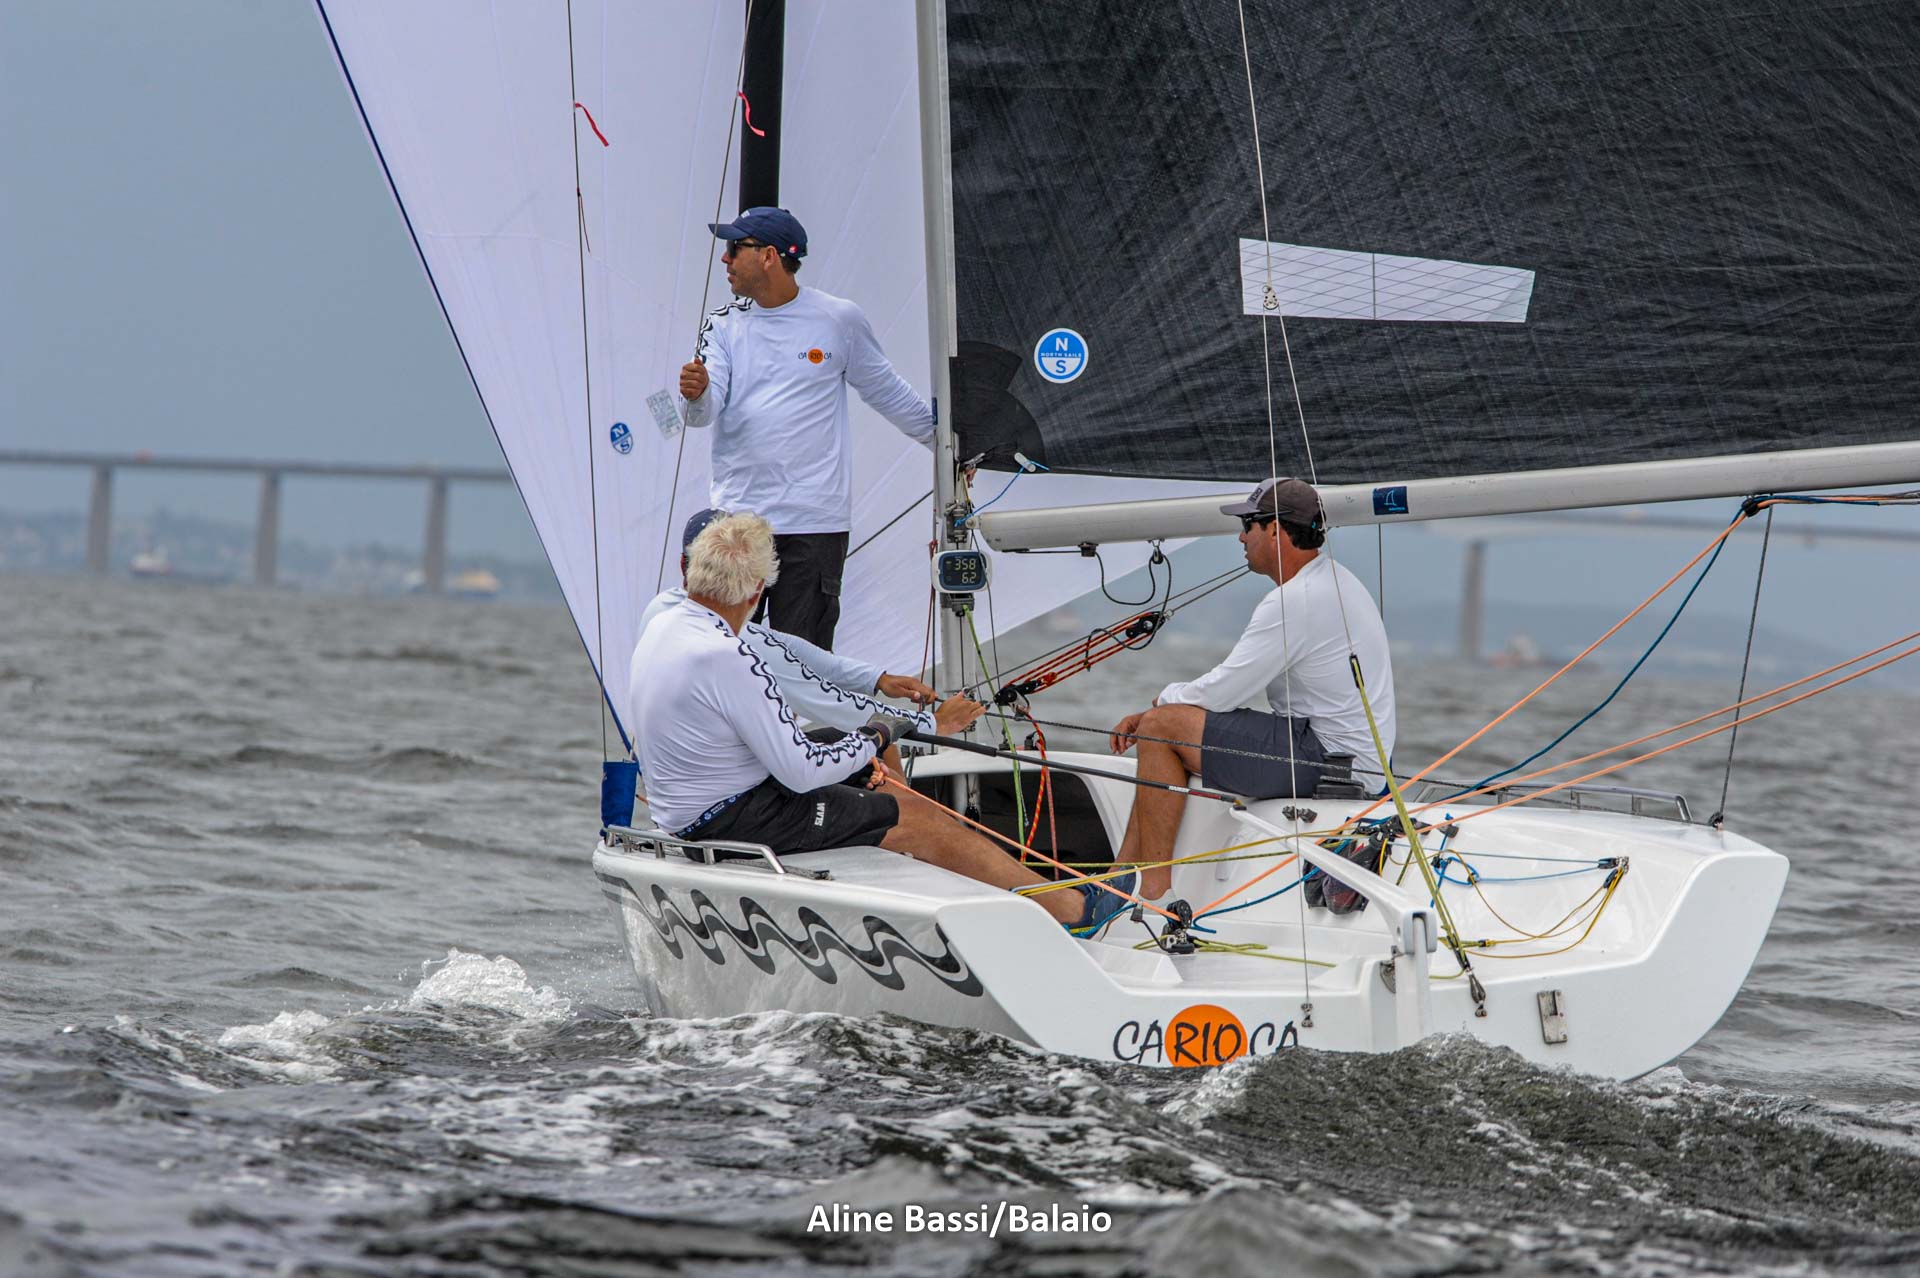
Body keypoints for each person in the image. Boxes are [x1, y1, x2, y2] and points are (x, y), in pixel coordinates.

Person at [627, 512, 1132, 931]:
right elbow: (800, 771)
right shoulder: (729, 657)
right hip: (731, 816)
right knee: (918, 818)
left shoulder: (666, 620)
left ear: (692, 573)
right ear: (758, 590)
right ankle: (1074, 910)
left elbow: (786, 654)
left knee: (857, 756)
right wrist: (877, 733)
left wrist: (873, 706)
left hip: (690, 808)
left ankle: (908, 846)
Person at [1107, 478, 1396, 899]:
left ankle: (1150, 892)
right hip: (1354, 760)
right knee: (1162, 722)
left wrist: (1160, 703)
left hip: (1331, 761)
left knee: (1160, 728)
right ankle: (1117, 879)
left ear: (1275, 530)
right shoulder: (1337, 579)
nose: (1241, 537)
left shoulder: (1297, 599)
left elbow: (1224, 692)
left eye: (1248, 525)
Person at [678, 206, 933, 651]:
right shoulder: (722, 324)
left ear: (768, 256)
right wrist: (696, 395)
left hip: (814, 523)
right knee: (722, 653)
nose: (725, 258)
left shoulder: (839, 320)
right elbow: (701, 415)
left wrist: (948, 444)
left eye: (735, 247)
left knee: (805, 661)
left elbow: (887, 392)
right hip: (738, 522)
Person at [635, 508, 939, 776]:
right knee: (880, 747)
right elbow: (819, 705)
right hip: (730, 786)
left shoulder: (663, 610)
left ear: (684, 565)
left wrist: (877, 679)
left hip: (680, 779)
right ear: (757, 586)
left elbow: (783, 646)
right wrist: (932, 723)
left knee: (867, 740)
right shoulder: (735, 644)